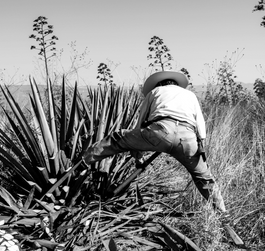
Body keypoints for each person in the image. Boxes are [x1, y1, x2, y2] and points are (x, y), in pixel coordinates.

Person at [82, 71, 227, 213]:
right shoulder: (190, 95)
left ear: (159, 84)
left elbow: (140, 124)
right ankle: (222, 213)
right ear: (176, 84)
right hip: (188, 139)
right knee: (204, 178)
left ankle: (82, 163)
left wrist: (137, 154)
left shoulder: (155, 92)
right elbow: (200, 122)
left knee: (116, 139)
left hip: (160, 131)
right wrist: (201, 143)